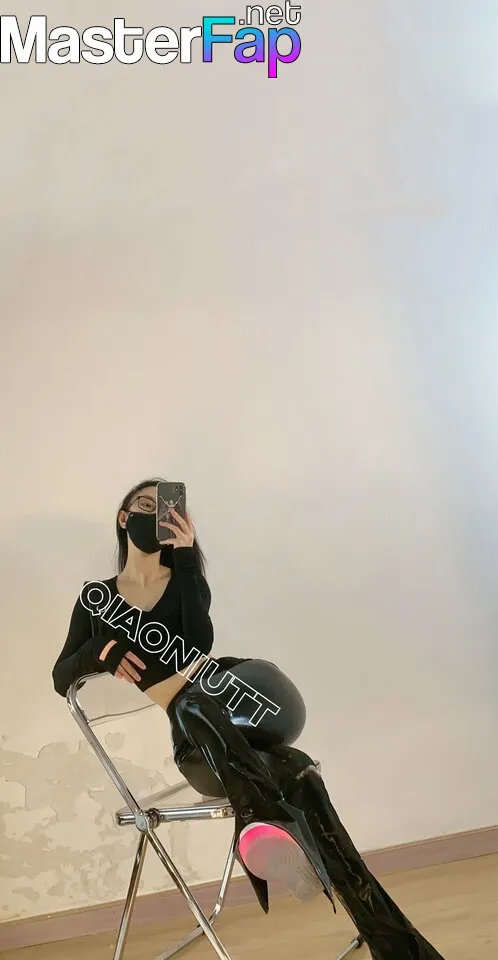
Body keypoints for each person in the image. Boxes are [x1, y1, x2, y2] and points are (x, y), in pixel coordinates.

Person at [52, 478, 445, 960]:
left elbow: (197, 646)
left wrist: (188, 558)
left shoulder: (183, 580)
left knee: (287, 764)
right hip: (198, 747)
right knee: (226, 725)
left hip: (240, 721)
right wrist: (99, 650)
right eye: (145, 505)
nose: (154, 515)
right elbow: (61, 675)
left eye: (165, 509)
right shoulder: (98, 598)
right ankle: (266, 821)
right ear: (123, 517)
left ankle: (395, 944)